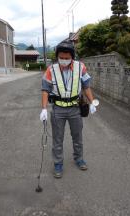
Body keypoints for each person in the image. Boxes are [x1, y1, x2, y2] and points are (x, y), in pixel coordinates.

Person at [40, 40, 98, 178]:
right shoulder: (51, 70)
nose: (64, 61)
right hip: (58, 109)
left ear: (72, 57)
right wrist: (43, 108)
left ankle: (79, 158)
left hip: (74, 109)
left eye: (67, 58)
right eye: (61, 58)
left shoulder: (81, 67)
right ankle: (58, 163)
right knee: (57, 139)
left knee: (77, 136)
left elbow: (86, 86)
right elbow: (45, 90)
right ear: (57, 56)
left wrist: (92, 102)